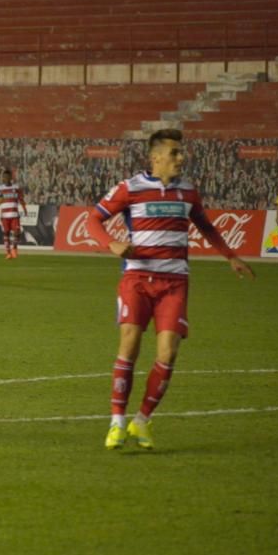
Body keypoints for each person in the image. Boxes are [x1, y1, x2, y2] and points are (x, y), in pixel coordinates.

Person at [86, 129, 255, 451]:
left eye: (181, 152)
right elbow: (94, 219)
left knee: (169, 352)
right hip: (137, 278)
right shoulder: (130, 188)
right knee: (130, 345)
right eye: (175, 153)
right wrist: (112, 244)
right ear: (156, 158)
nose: (181, 158)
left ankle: (142, 421)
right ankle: (117, 421)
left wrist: (230, 256)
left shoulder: (188, 192)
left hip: (174, 282)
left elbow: (205, 225)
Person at [0, 169, 28, 259]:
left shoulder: (16, 188)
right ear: (2, 178)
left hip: (15, 215)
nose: (5, 178)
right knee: (6, 233)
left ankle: (14, 248)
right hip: (4, 216)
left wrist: (24, 208)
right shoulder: (0, 188)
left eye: (7, 177)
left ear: (11, 177)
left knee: (17, 232)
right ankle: (8, 252)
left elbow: (21, 199)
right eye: (4, 177)